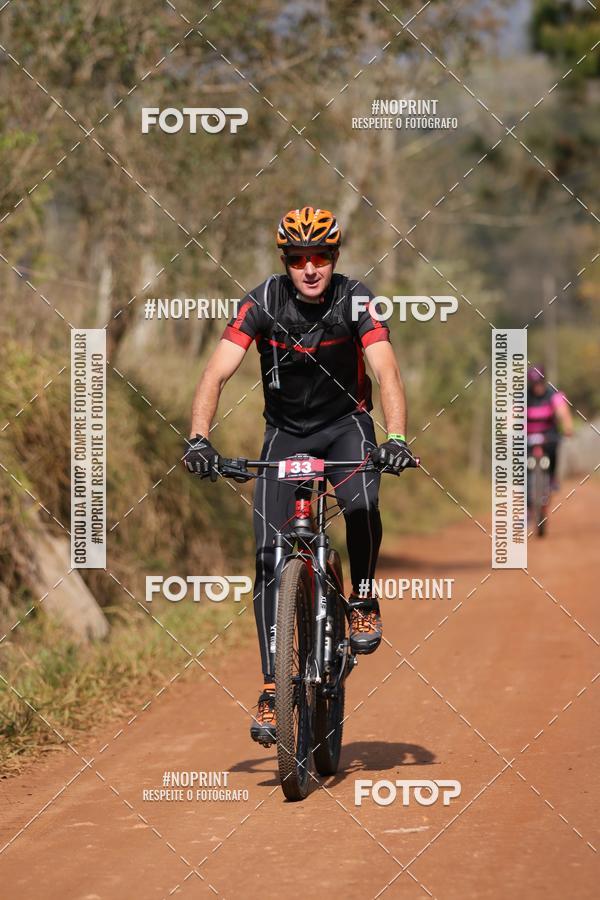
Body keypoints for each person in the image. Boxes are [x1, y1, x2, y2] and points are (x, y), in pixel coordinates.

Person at [184, 206, 414, 745]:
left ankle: (362, 598)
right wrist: (198, 439)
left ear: (334, 258)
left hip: (345, 427)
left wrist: (397, 439)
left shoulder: (358, 299)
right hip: (285, 434)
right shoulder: (262, 300)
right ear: (285, 262)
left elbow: (386, 372)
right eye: (298, 260)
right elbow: (216, 373)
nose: (309, 269)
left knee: (361, 504)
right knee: (268, 557)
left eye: (320, 258)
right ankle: (271, 686)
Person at [527, 365, 573, 492]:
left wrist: (567, 427)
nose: (537, 386)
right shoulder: (523, 397)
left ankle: (552, 477)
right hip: (527, 435)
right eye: (534, 383)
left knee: (553, 449)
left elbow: (563, 413)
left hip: (548, 434)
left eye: (540, 383)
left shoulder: (553, 395)